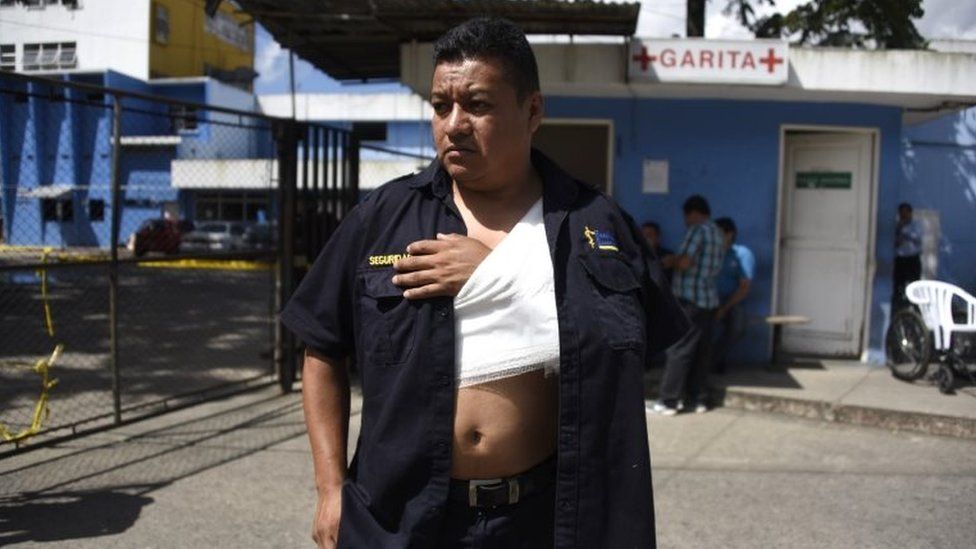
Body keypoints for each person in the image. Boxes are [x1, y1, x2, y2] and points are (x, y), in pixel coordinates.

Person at [280, 17, 687, 549]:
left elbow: (629, 354)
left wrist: (498, 277)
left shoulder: (595, 223)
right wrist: (330, 487)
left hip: (540, 518)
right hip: (401, 518)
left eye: (477, 104)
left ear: (533, 110)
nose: (453, 124)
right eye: (440, 105)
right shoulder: (382, 218)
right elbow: (322, 349)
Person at [651, 195, 724, 416]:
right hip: (709, 300)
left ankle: (669, 401)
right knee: (701, 351)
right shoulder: (718, 233)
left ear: (693, 212)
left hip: (690, 299)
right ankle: (699, 399)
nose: (685, 221)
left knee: (679, 349)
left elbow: (684, 263)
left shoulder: (697, 230)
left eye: (686, 216)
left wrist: (671, 260)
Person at [712, 217, 754, 374]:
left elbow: (744, 288)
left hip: (732, 300)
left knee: (737, 328)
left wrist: (724, 308)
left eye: (718, 233)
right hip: (708, 298)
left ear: (730, 234)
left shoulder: (742, 254)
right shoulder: (710, 253)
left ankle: (714, 359)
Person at [893, 202, 922, 311]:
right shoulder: (897, 226)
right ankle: (899, 309)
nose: (904, 215)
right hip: (901, 260)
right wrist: (899, 229)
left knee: (914, 286)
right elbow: (895, 244)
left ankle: (915, 310)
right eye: (901, 213)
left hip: (913, 259)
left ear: (910, 213)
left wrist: (906, 234)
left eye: (906, 213)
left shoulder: (917, 225)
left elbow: (917, 240)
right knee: (899, 287)